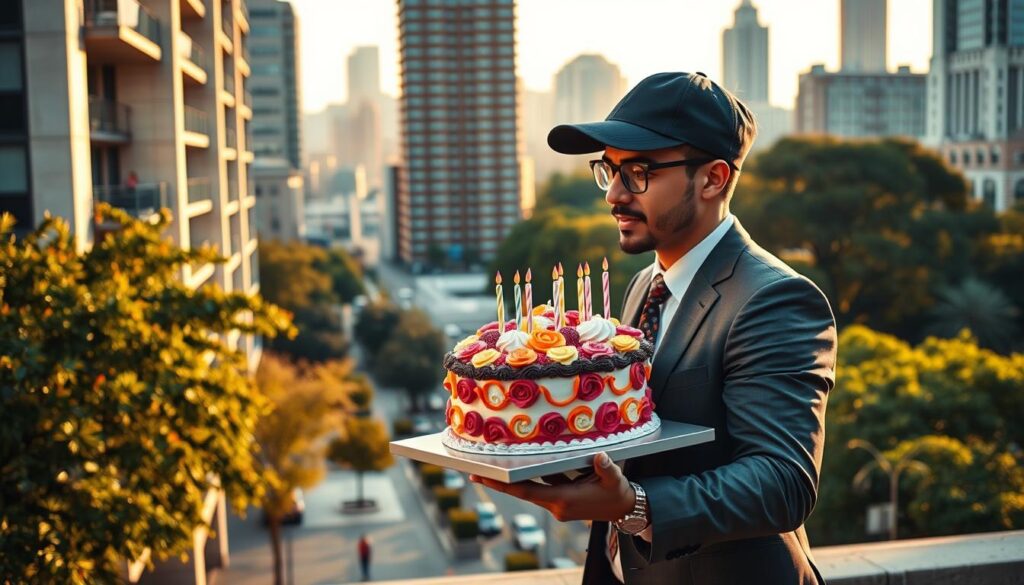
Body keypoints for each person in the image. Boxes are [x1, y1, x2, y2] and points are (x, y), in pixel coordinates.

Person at [470, 72, 837, 584]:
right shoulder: (646, 284)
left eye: (638, 172)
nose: (614, 195)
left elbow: (782, 483)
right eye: (610, 170)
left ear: (713, 178)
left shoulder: (775, 299)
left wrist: (635, 505)